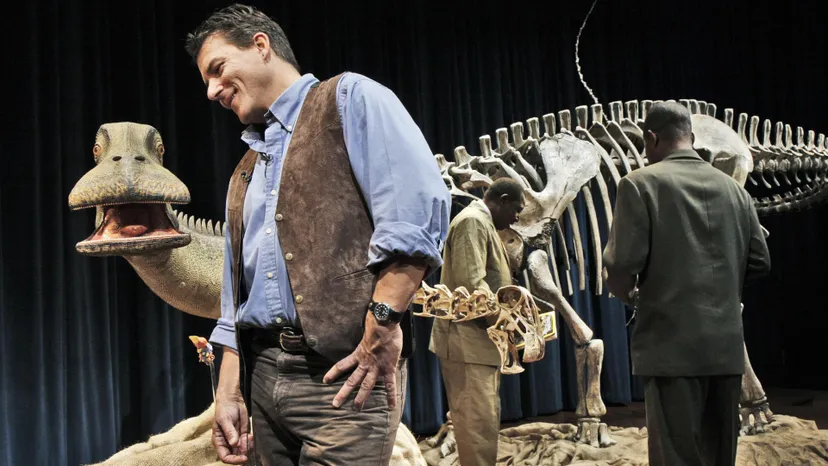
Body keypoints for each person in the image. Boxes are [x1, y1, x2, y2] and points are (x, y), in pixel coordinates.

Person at [184, 4, 451, 465]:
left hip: (343, 380)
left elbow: (413, 217)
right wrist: (228, 391)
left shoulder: (349, 99)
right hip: (263, 380)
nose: (211, 91)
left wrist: (382, 324)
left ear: (261, 45)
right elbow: (236, 298)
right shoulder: (246, 168)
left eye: (218, 68)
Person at [602, 102, 771, 465]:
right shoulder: (735, 191)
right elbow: (760, 261)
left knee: (674, 458)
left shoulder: (639, 184)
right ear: (691, 137)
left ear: (651, 138)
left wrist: (630, 295)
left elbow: (619, 264)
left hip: (670, 349)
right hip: (725, 350)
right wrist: (723, 295)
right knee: (719, 457)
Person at [428, 178, 525, 466]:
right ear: (503, 200)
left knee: (483, 422)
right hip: (467, 343)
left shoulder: (484, 223)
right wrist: (509, 322)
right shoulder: (473, 221)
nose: (516, 218)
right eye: (516, 209)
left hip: (479, 343)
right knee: (476, 427)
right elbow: (472, 288)